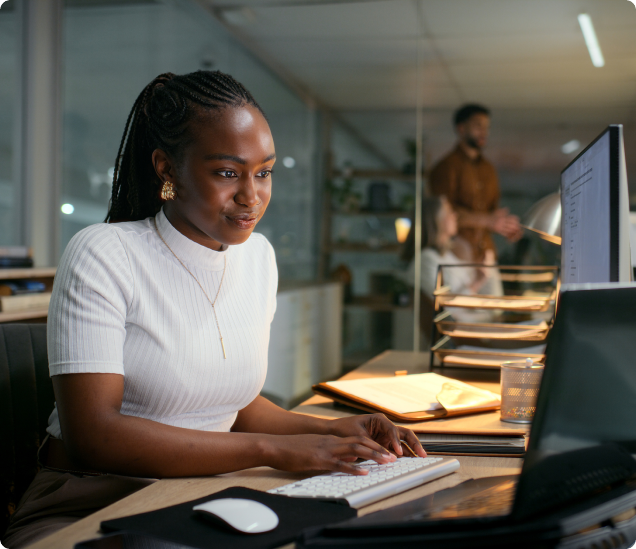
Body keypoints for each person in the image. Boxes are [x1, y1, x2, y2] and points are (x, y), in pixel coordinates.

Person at [2, 70, 425, 548]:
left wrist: (334, 431)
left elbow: (230, 407)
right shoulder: (104, 253)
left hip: (206, 492)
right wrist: (274, 452)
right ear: (167, 168)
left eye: (263, 172)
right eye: (228, 173)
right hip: (92, 501)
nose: (251, 196)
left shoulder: (259, 258)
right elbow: (94, 435)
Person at [429, 104, 523, 262]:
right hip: (456, 253)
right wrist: (488, 220)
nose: (484, 132)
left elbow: (492, 214)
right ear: (461, 128)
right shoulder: (445, 167)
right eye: (478, 125)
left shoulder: (489, 169)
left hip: (486, 252)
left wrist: (504, 226)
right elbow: (443, 214)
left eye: (487, 127)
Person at [401, 196, 498, 300]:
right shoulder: (425, 260)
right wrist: (478, 281)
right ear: (436, 219)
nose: (454, 215)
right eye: (448, 211)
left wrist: (481, 268)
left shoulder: (446, 255)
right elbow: (446, 306)